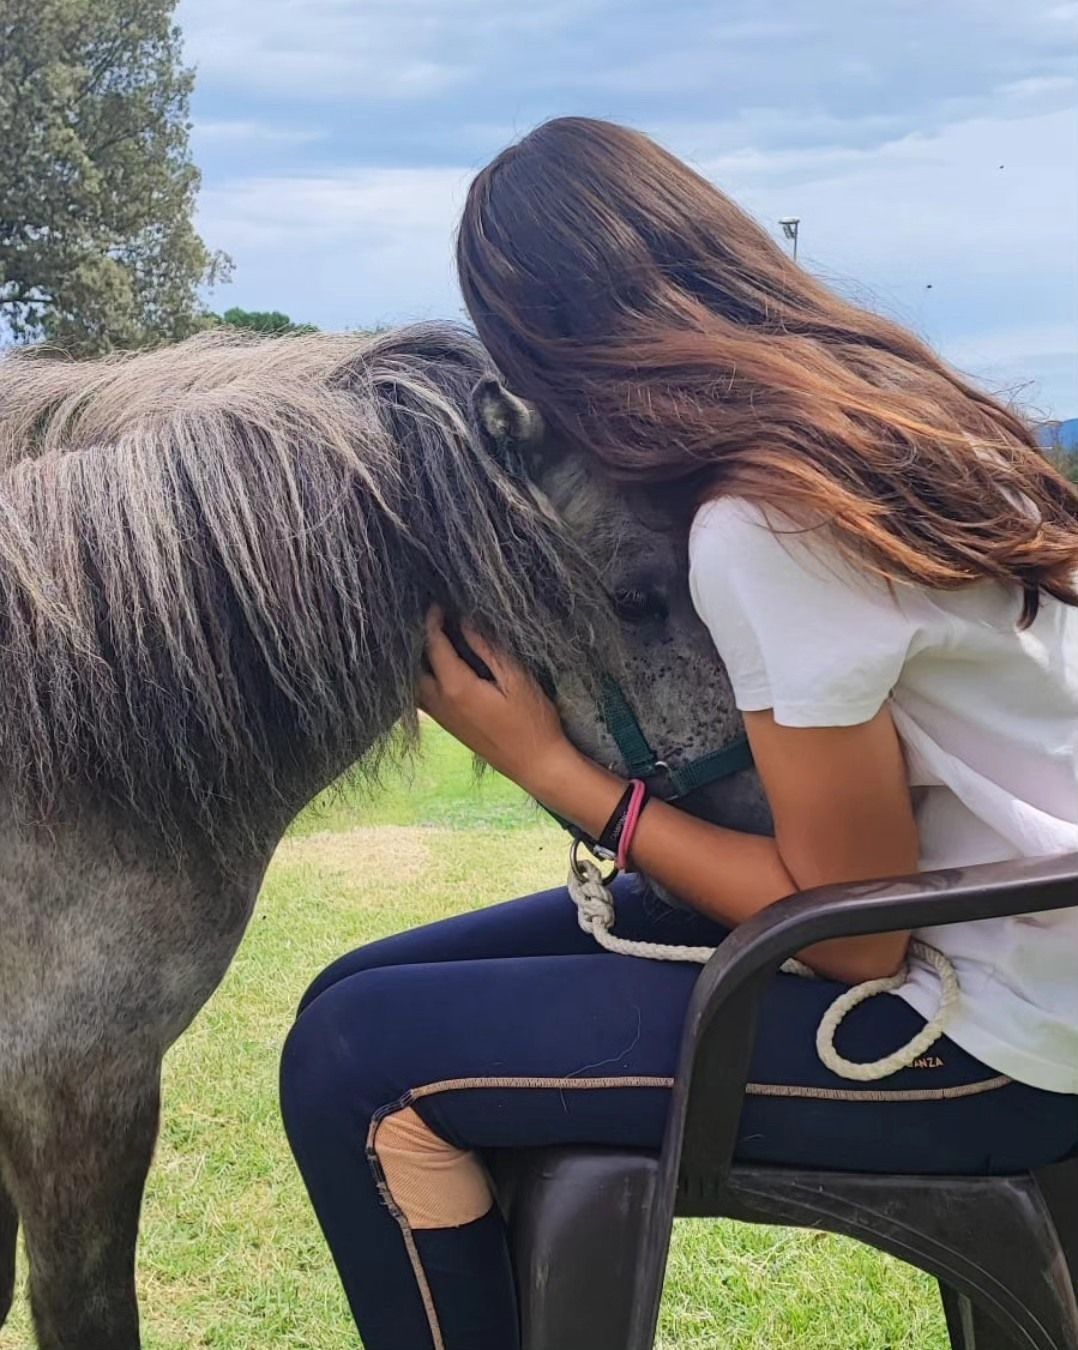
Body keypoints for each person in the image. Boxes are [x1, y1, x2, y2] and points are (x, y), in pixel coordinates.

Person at [279, 117, 1078, 1350]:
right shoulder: (899, 414)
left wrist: (553, 768)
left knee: (355, 1059)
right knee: (359, 985)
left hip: (989, 1037)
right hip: (1021, 951)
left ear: (552, 348)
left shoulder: (766, 523)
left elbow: (857, 939)